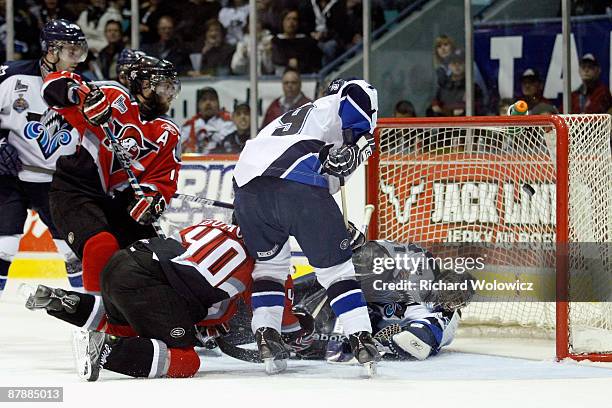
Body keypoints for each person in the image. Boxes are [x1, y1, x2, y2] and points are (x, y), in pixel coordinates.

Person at [26, 218, 312, 380]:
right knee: (186, 361)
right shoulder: (267, 263)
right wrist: (304, 330)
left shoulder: (213, 225)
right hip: (149, 282)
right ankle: (106, 351)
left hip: (122, 264)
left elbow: (192, 280)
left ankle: (65, 303)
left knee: (130, 327)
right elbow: (283, 322)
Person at [233, 78, 381, 374]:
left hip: (245, 186)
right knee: (338, 272)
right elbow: (356, 95)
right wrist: (355, 146)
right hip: (298, 183)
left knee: (269, 269)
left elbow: (323, 175)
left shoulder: (296, 117)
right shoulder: (339, 101)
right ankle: (362, 339)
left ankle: (266, 335)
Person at [41, 55, 182, 294]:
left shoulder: (169, 132)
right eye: (164, 85)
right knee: (100, 245)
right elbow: (53, 84)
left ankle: (139, 320)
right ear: (145, 85)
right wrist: (79, 97)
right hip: (76, 190)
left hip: (120, 202)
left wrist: (151, 199)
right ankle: (98, 321)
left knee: (153, 258)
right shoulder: (113, 94)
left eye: (172, 87)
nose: (169, 93)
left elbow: (163, 179)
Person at [0, 19, 87, 299]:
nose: (76, 58)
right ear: (50, 50)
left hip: (57, 181)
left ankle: (94, 318)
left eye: (79, 51)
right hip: (10, 176)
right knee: (4, 244)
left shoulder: (82, 87)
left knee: (73, 250)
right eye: (69, 51)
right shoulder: (12, 77)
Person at [292, 240, 475, 361]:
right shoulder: (422, 273)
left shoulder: (442, 319)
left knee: (331, 333)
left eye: (457, 298)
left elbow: (418, 343)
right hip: (365, 299)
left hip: (367, 323)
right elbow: (386, 250)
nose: (450, 299)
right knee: (319, 284)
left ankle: (303, 336)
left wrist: (385, 342)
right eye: (450, 289)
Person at [429, 49, 484, 116]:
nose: (457, 66)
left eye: (460, 62)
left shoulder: (473, 87)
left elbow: (481, 108)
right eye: (454, 63)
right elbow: (433, 108)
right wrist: (435, 107)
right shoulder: (443, 87)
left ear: (465, 65)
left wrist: (465, 111)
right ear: (449, 65)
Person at [181, 87, 236, 153]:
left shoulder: (228, 123)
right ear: (198, 105)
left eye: (212, 99)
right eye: (204, 100)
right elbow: (177, 147)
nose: (208, 102)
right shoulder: (190, 126)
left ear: (218, 104)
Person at [271, 9, 322, 75]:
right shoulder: (276, 40)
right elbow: (276, 58)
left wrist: (298, 63)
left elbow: (311, 59)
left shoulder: (306, 41)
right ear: (282, 22)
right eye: (288, 19)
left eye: (294, 19)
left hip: (304, 73)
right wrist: (288, 62)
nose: (291, 22)